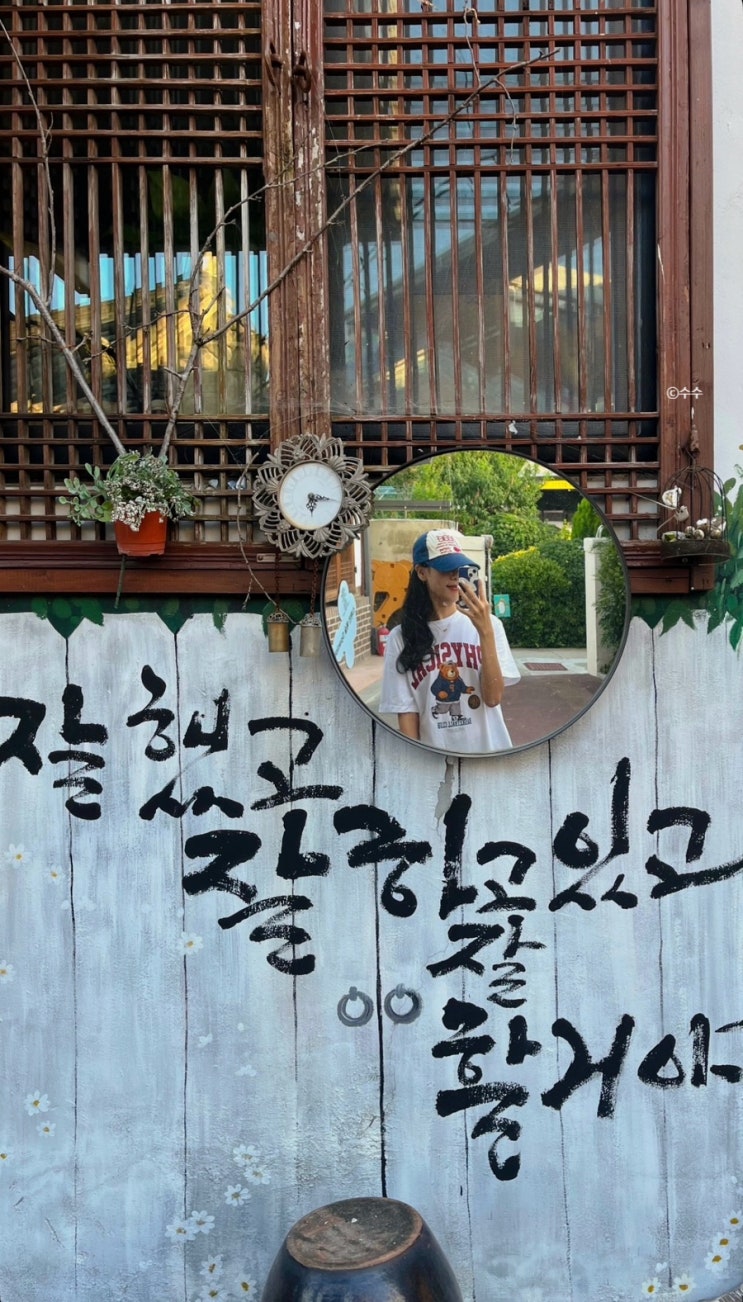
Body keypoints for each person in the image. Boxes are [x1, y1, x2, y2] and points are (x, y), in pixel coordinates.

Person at [379, 529, 520, 751]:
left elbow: (493, 698)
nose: (455, 575)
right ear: (422, 572)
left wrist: (485, 632)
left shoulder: (490, 625)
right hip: (437, 761)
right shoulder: (400, 637)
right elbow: (407, 716)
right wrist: (416, 764)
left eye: (459, 567)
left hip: (490, 756)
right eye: (446, 568)